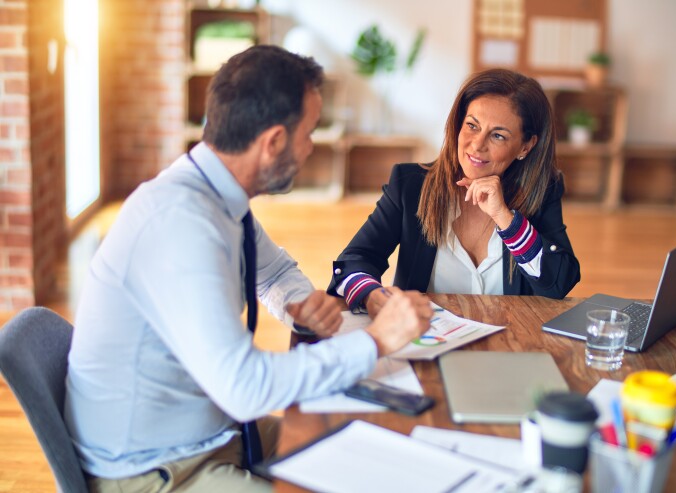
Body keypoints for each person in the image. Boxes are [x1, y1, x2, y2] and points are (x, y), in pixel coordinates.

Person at [64, 45, 432, 492]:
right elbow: (246, 387)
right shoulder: (180, 225)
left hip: (212, 433)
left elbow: (274, 273)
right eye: (309, 133)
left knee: (374, 461)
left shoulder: (216, 197)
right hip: (156, 468)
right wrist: (375, 341)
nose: (312, 148)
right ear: (274, 141)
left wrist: (299, 304)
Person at [328, 68, 580, 317]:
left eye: (498, 136)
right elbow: (353, 260)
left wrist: (506, 219)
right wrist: (374, 296)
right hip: (426, 344)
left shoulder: (543, 191)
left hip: (508, 347)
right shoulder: (410, 185)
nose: (477, 145)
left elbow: (558, 284)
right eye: (472, 125)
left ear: (525, 146)